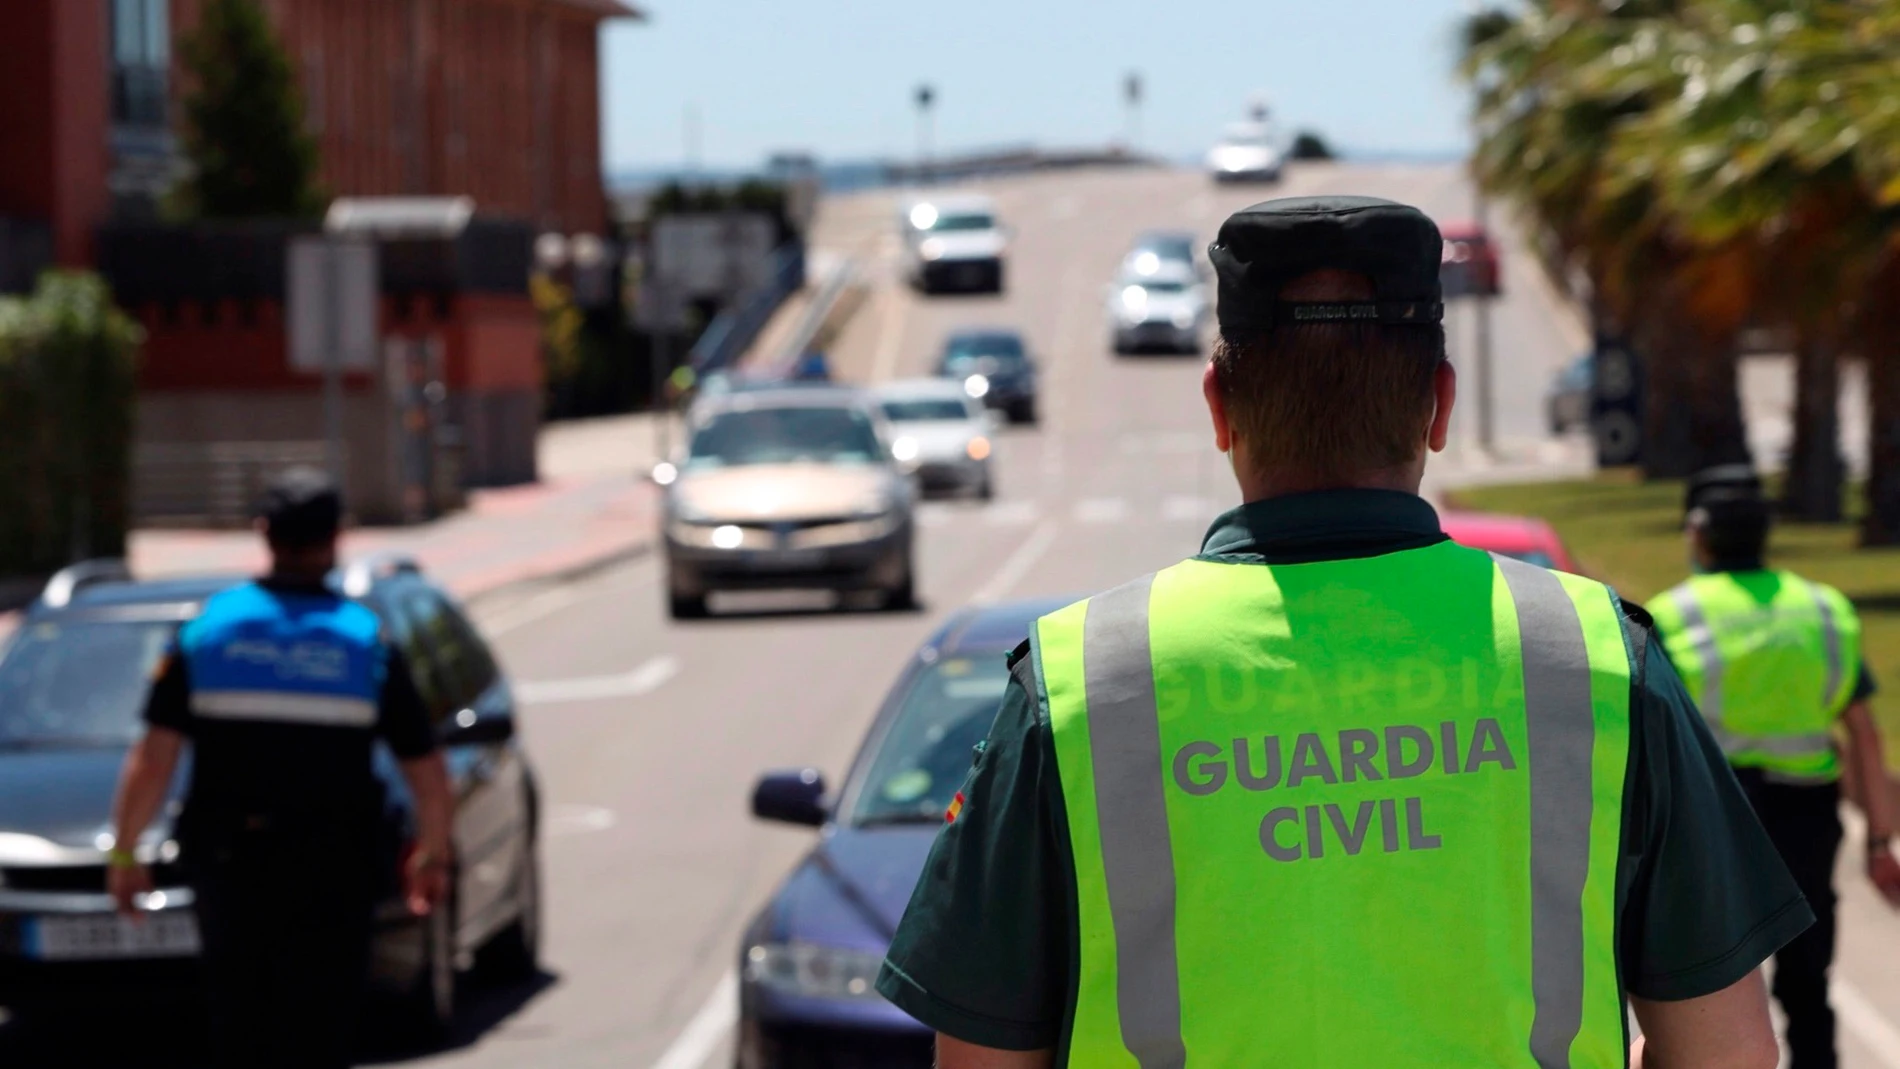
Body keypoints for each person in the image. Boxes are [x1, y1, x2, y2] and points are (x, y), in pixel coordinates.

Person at [875, 197, 1812, 1068]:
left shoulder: (1082, 678)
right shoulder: (1596, 656)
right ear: (1440, 405)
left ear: (1218, 406)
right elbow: (1730, 1049)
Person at [108, 467, 454, 1069]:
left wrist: (125, 853)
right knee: (321, 1029)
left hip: (234, 872)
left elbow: (153, 760)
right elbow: (425, 768)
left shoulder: (208, 632)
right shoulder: (365, 642)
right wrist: (433, 854)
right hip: (334, 875)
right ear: (336, 538)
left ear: (263, 532)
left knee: (244, 1028)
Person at [1646, 470, 1900, 1069]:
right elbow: (1861, 729)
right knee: (1809, 984)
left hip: (1712, 817)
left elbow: (1651, 739)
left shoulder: (1672, 614)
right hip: (1806, 816)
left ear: (1699, 535)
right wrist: (1882, 840)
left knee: (1706, 990)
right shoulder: (1821, 608)